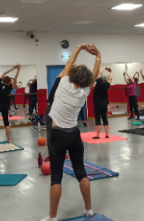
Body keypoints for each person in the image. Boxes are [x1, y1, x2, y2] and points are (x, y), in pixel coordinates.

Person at [42, 43, 100, 221]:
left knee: (57, 177)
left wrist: (80, 47)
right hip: (74, 135)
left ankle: (52, 217)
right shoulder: (84, 92)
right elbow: (95, 73)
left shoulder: (63, 83)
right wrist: (97, 55)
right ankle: (89, 209)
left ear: (71, 75)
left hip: (58, 135)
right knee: (81, 172)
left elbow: (70, 62)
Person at [0, 65, 20, 145]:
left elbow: (4, 73)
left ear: (3, 80)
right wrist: (18, 70)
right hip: (4, 106)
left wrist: (13, 68)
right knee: (6, 123)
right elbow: (15, 80)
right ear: (9, 82)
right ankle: (9, 140)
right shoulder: (9, 86)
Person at [93, 67, 112, 139]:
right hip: (104, 104)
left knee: (98, 118)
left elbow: (99, 73)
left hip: (98, 103)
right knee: (105, 118)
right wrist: (111, 72)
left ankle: (98, 135)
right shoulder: (107, 85)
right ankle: (107, 135)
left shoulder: (98, 82)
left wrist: (103, 68)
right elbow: (110, 79)